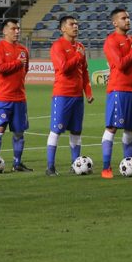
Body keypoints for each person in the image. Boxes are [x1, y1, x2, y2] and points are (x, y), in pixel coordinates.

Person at [100, 8, 132, 178]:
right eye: (123, 18)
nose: (127, 20)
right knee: (112, 127)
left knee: (131, 129)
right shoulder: (111, 41)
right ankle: (106, 168)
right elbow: (120, 64)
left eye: (128, 17)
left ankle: (130, 165)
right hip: (118, 89)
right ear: (115, 22)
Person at [46, 15, 94, 176]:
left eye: (77, 24)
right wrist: (77, 56)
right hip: (62, 95)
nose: (75, 26)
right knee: (56, 131)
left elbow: (84, 72)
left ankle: (75, 165)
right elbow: (63, 67)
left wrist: (88, 92)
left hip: (77, 97)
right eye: (72, 24)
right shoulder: (58, 46)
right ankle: (50, 167)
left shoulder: (80, 46)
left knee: (76, 132)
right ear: (63, 28)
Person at [0, 19, 33, 171]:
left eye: (18, 29)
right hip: (3, 98)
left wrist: (18, 66)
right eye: (13, 28)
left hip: (20, 98)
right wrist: (16, 63)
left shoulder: (23, 50)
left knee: (19, 132)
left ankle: (17, 163)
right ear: (5, 31)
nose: (17, 31)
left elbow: (25, 69)